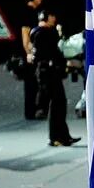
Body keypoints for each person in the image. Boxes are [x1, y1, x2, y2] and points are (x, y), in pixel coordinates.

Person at [30, 10, 79, 146]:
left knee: (57, 104)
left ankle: (60, 136)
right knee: (58, 104)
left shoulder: (37, 32)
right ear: (47, 17)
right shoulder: (44, 33)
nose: (54, 18)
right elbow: (55, 51)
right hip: (49, 73)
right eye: (52, 16)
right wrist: (58, 34)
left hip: (47, 73)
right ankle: (58, 137)